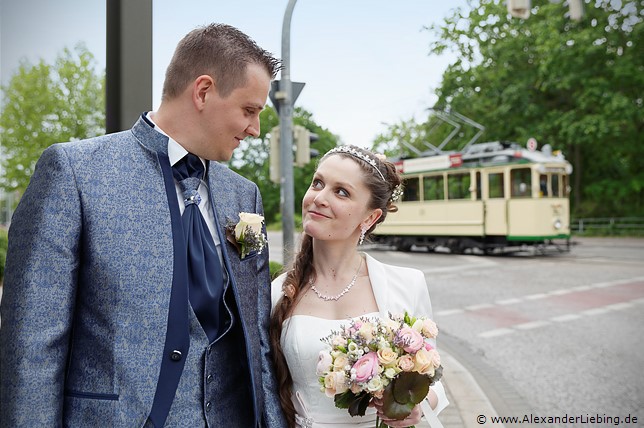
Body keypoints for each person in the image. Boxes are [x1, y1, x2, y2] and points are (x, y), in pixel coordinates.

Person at [0, 24, 287, 427]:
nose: (255, 130)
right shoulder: (75, 172)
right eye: (249, 110)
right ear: (203, 91)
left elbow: (255, 340)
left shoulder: (245, 197)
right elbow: (32, 349)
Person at [270, 145, 449, 428]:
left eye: (341, 192)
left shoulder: (407, 285)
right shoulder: (277, 292)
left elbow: (434, 381)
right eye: (318, 183)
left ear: (370, 218)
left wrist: (416, 407)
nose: (319, 198)